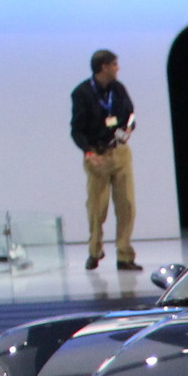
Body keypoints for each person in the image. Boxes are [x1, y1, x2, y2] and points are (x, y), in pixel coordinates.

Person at [70, 48, 140, 272]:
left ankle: (124, 255)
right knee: (97, 208)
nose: (118, 68)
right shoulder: (81, 93)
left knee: (126, 205)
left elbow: (131, 113)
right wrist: (89, 152)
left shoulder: (118, 89)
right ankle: (94, 251)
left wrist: (128, 127)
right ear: (103, 67)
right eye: (114, 64)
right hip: (97, 156)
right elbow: (76, 129)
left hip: (119, 152)